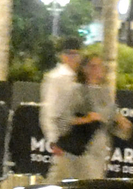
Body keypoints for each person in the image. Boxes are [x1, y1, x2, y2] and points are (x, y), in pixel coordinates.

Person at [43, 40, 107, 181]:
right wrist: (54, 140)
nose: (73, 57)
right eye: (70, 54)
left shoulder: (83, 81)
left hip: (84, 143)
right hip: (68, 141)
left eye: (77, 54)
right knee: (58, 184)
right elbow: (50, 112)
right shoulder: (58, 78)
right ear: (63, 56)